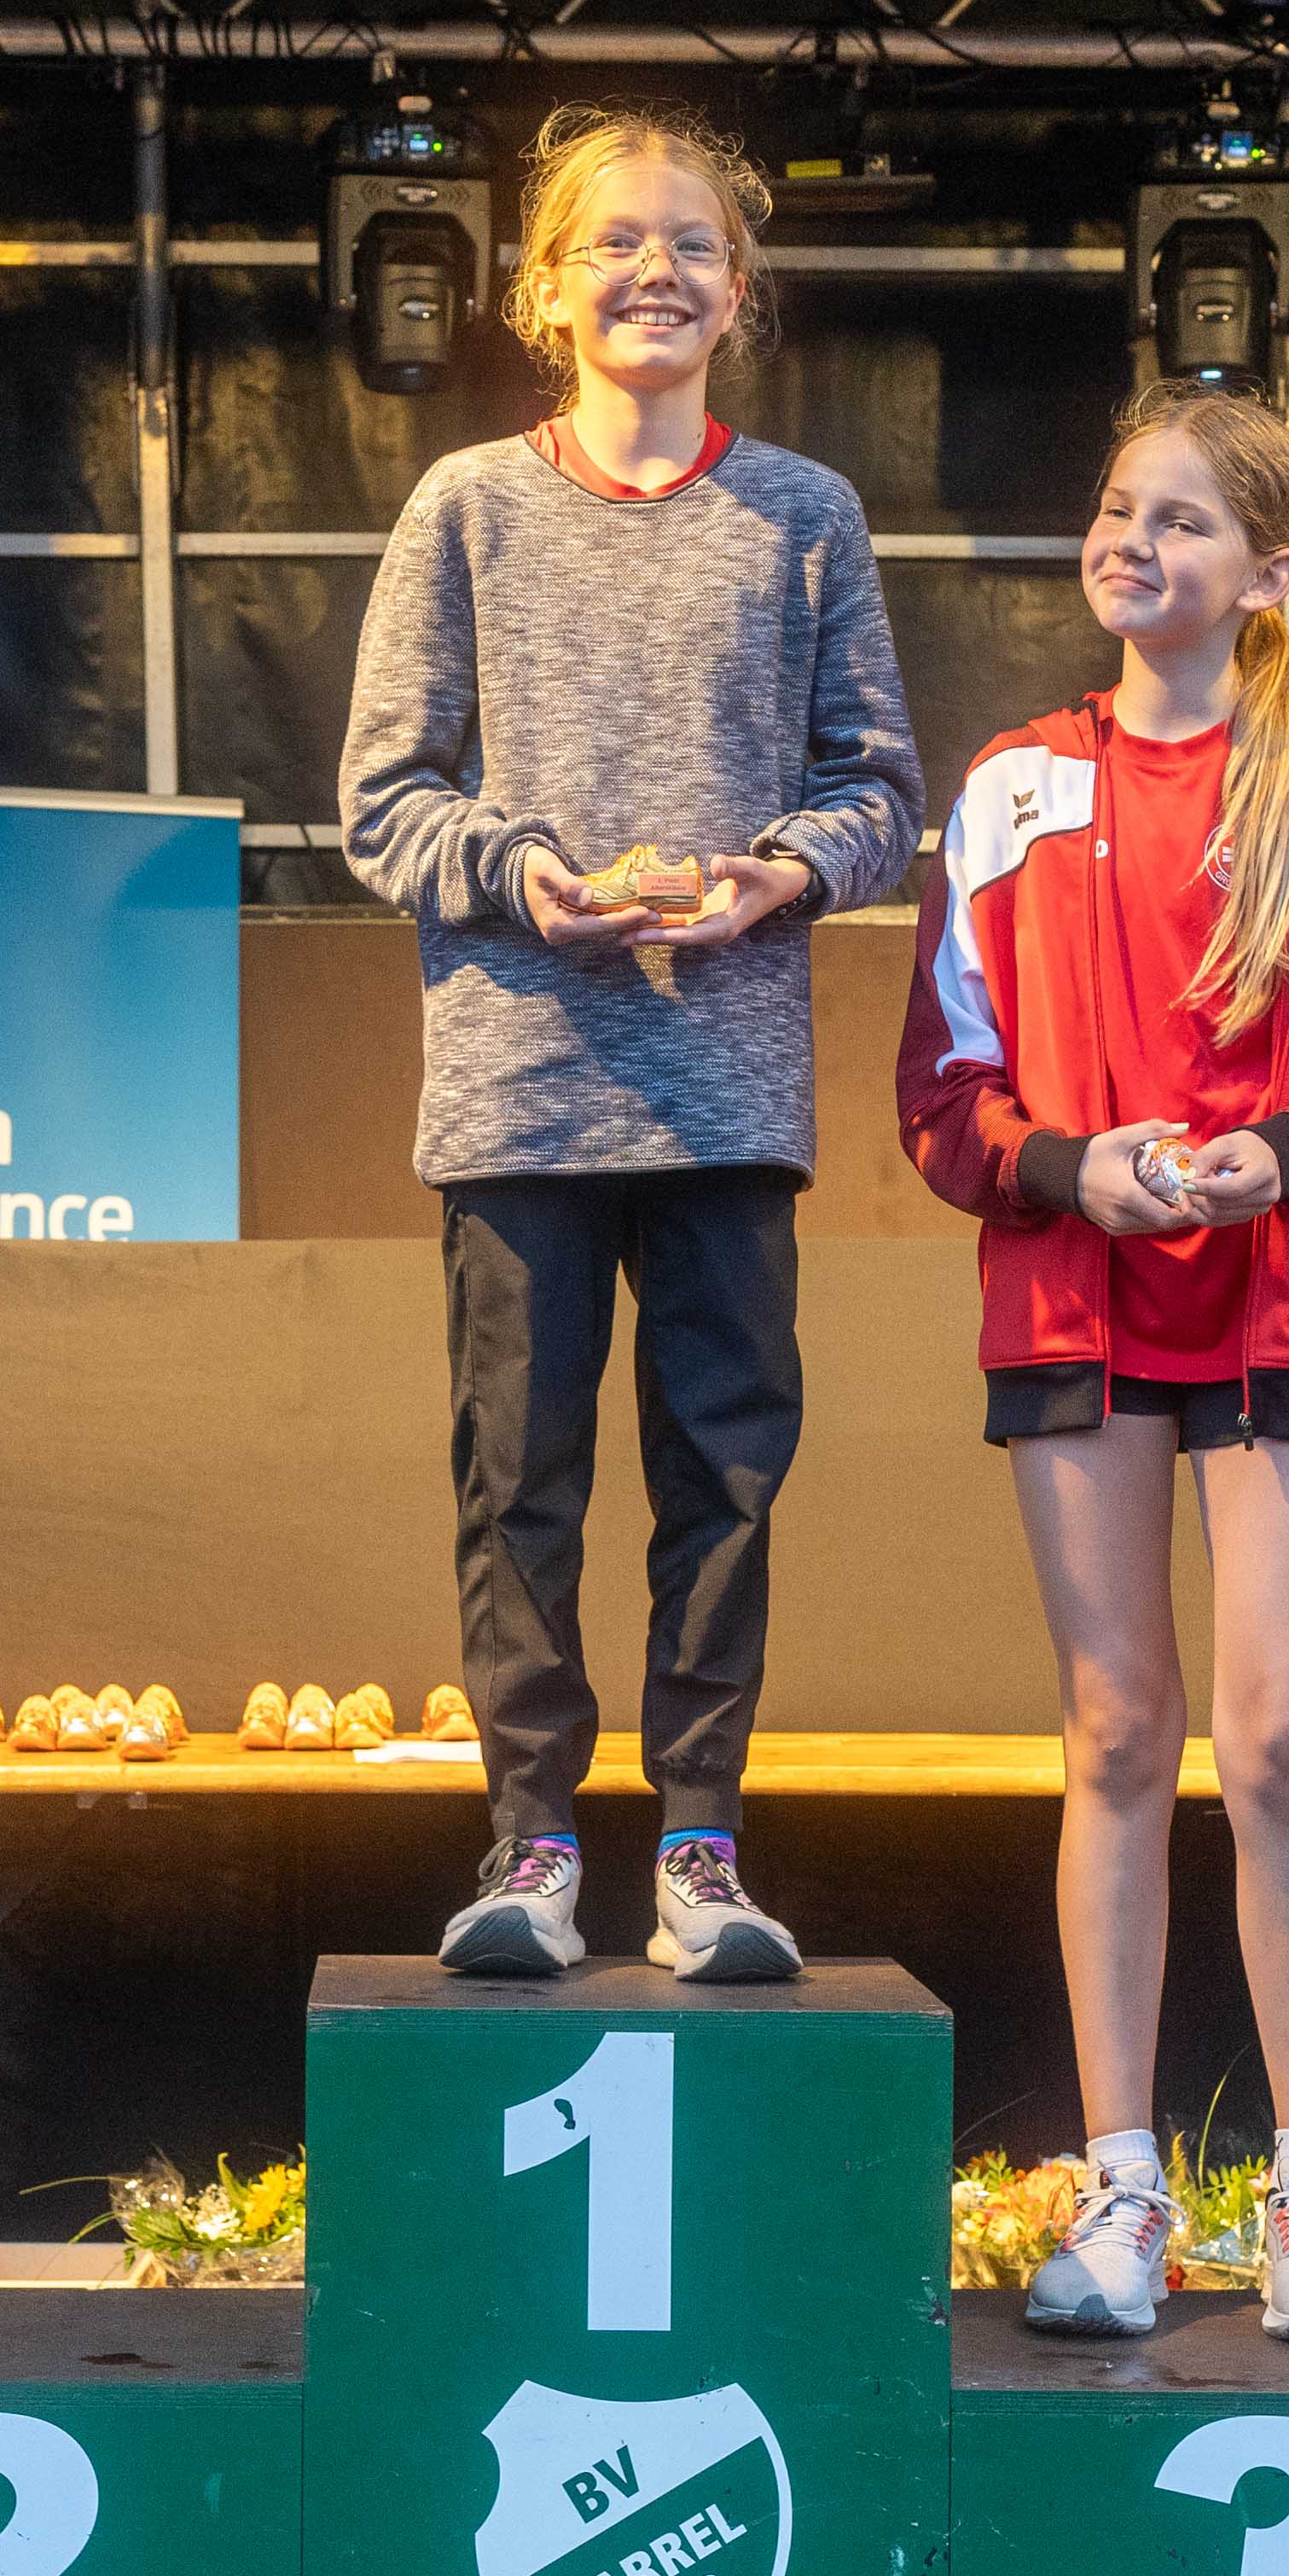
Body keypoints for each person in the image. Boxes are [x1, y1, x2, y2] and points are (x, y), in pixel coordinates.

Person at [896, 385, 1289, 2345]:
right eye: (1119, 507)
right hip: (1079, 1294)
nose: (1134, 542)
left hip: (1286, 1296)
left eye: (1186, 521)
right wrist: (1080, 1169)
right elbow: (942, 1093)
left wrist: (1276, 1153)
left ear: (1272, 571)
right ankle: (1124, 2187)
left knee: (1281, 1738)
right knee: (1120, 1733)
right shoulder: (1007, 788)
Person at [338, 102, 923, 1984]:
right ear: (544, 288)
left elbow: (881, 792)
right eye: (614, 240)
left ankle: (698, 1847)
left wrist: (776, 876)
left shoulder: (807, 516)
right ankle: (529, 1843)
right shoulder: (467, 508)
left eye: (691, 243)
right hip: (519, 1090)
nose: (654, 270)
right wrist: (523, 875)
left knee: (723, 1481)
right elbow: (382, 800)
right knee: (520, 1485)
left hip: (728, 1089)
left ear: (739, 290)